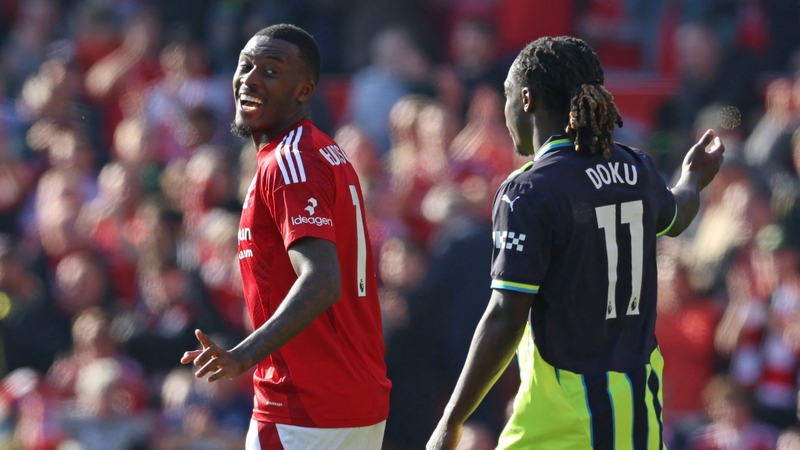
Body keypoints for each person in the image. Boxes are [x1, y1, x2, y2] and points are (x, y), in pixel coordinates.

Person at [426, 36, 725, 450]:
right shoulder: (634, 167)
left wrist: (451, 420)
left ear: (526, 99)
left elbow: (505, 315)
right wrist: (692, 176)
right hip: (638, 417)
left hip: (561, 422)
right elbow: (678, 214)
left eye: (507, 96)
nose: (506, 110)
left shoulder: (528, 190)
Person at [180, 24, 391, 449]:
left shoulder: (289, 162)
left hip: (305, 408)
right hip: (349, 401)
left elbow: (322, 279)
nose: (251, 79)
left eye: (272, 71)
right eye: (246, 66)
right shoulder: (319, 151)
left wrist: (242, 355)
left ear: (304, 90)